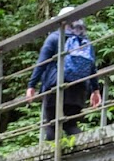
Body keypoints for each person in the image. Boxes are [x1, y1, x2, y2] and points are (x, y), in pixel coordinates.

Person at [26, 8, 101, 141]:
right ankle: (83, 147)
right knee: (71, 124)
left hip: (56, 86)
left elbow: (42, 62)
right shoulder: (84, 40)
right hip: (79, 88)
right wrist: (95, 90)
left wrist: (31, 85)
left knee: (51, 125)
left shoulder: (55, 37)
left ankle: (49, 159)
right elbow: (91, 66)